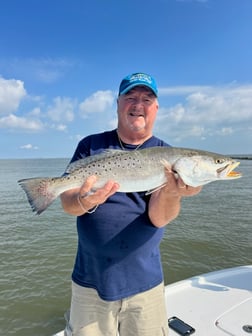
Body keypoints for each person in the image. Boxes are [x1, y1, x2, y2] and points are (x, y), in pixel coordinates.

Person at [61, 72, 202, 336]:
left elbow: (159, 219)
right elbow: (68, 205)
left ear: (156, 108)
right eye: (131, 97)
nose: (139, 104)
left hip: (144, 285)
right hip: (90, 282)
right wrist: (83, 199)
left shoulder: (166, 154)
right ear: (118, 103)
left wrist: (173, 193)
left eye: (147, 99)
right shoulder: (90, 145)